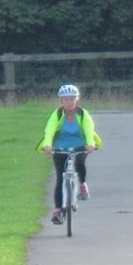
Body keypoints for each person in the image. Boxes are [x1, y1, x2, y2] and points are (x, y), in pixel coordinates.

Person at [37, 84, 102, 225]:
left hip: (80, 145)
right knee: (61, 178)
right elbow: (49, 130)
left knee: (79, 164)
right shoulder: (57, 115)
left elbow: (89, 130)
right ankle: (58, 211)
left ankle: (83, 184)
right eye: (66, 99)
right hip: (60, 147)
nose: (69, 102)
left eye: (72, 99)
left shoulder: (83, 114)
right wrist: (47, 145)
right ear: (61, 101)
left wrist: (90, 144)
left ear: (77, 100)